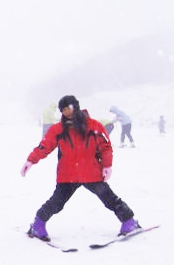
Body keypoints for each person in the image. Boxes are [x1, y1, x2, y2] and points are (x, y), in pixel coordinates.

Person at [22, 95, 140, 239]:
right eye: (63, 110)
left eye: (69, 108)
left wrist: (107, 165)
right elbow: (44, 146)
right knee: (56, 202)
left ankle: (129, 222)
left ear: (76, 107)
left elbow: (106, 147)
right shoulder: (58, 129)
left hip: (91, 172)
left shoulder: (94, 126)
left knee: (109, 199)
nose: (66, 112)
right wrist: (31, 160)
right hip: (68, 174)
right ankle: (37, 225)